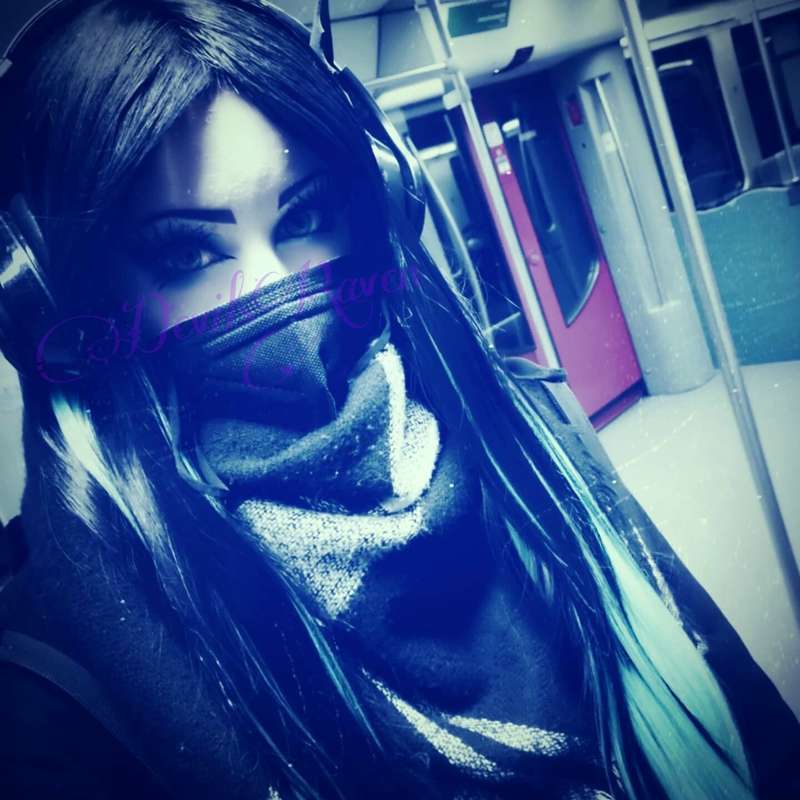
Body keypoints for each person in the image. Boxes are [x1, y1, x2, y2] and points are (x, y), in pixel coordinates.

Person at [0, 2, 798, 798]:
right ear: (67, 302)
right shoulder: (53, 698)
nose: (273, 288)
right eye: (185, 252)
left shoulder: (528, 434)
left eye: (305, 216)